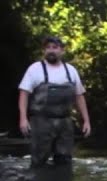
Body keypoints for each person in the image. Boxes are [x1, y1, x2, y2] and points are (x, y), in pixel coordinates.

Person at [18, 36, 92, 167]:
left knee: (65, 161)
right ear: (44, 51)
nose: (51, 50)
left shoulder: (71, 70)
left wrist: (86, 120)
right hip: (41, 122)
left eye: (55, 47)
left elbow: (79, 96)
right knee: (39, 161)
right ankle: (38, 179)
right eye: (48, 48)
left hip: (65, 123)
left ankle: (62, 180)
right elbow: (24, 94)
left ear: (62, 50)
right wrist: (23, 119)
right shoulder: (35, 69)